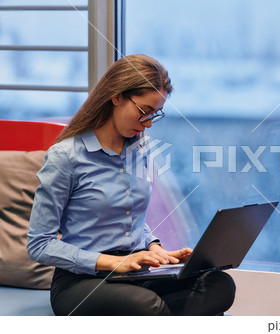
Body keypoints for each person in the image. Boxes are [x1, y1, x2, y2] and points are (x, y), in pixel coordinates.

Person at [27, 54, 235, 316]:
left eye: (154, 114)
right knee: (145, 305)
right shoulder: (66, 156)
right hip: (82, 281)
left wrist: (155, 248)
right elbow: (39, 245)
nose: (147, 123)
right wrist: (116, 262)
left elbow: (130, 217)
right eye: (143, 112)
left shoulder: (140, 149)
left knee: (218, 285)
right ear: (116, 96)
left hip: (136, 272)